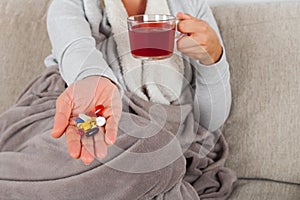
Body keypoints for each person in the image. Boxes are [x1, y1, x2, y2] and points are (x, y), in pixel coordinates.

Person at [46, 0, 231, 166]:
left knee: (154, 157)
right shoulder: (71, 5)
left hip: (163, 139)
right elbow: (77, 51)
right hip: (74, 110)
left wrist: (213, 60)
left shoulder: (190, 6)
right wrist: (94, 79)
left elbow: (209, 123)